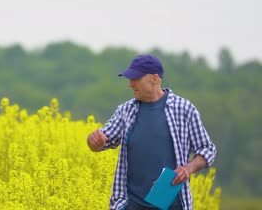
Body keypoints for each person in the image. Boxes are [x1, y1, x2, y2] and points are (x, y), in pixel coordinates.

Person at [87, 54, 216, 210]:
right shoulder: (126, 111)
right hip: (132, 205)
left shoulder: (184, 109)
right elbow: (102, 141)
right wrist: (93, 141)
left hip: (173, 205)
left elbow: (207, 149)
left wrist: (188, 169)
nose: (130, 84)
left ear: (155, 79)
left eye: (135, 78)